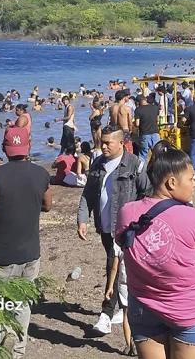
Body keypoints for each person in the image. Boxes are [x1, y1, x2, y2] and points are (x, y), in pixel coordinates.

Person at [115, 140, 195, 359]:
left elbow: (121, 243)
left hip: (144, 305)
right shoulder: (194, 217)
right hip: (188, 309)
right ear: (172, 182)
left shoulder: (128, 212)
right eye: (191, 179)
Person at [0, 126, 52, 359]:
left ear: (4, 149)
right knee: (22, 305)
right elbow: (48, 205)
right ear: (27, 147)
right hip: (30, 252)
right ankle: (18, 352)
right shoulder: (41, 174)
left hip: (0, 254)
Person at [77, 125, 151, 340]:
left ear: (122, 143)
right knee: (118, 268)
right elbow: (88, 194)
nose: (103, 146)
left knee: (113, 264)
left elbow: (146, 195)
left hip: (127, 229)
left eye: (108, 142)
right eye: (102, 141)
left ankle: (106, 315)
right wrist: (83, 219)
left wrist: (137, 224)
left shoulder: (135, 165)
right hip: (105, 227)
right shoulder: (98, 163)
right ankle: (123, 306)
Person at [134, 95, 160, 162]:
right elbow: (157, 119)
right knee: (158, 154)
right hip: (155, 133)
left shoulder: (138, 110)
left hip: (144, 134)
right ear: (145, 99)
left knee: (143, 154)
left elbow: (137, 124)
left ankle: (142, 171)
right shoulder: (155, 107)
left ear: (137, 102)